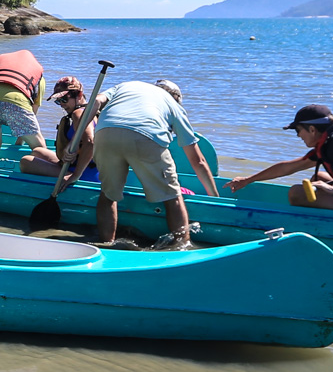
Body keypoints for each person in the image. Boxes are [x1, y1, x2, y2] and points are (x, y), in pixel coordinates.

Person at [55, 78, 218, 248]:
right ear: (177, 99)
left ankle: (106, 243)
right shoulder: (173, 105)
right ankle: (181, 246)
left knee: (108, 195)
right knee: (173, 197)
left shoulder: (127, 86)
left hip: (105, 133)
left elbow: (95, 101)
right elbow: (198, 160)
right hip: (145, 136)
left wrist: (75, 139)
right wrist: (214, 198)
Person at [0, 50, 58, 167]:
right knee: (40, 148)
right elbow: (33, 111)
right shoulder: (38, 76)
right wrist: (20, 140)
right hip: (16, 103)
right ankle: (53, 175)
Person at [20, 74, 99, 180]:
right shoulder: (89, 112)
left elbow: (90, 142)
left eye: (64, 99)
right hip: (83, 168)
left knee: (26, 162)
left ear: (79, 95)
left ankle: (67, 177)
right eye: (58, 101)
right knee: (38, 151)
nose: (61, 104)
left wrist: (75, 175)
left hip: (83, 173)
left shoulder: (78, 114)